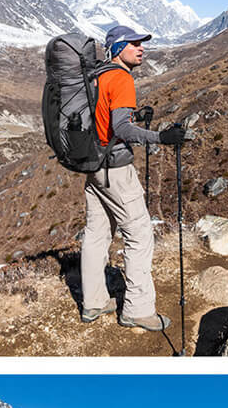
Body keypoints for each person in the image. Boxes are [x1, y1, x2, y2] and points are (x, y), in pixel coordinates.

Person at [80, 23, 186, 332]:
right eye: (133, 43)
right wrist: (161, 137)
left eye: (141, 43)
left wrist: (132, 117)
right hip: (116, 170)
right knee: (140, 234)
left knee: (96, 233)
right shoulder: (122, 78)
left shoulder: (97, 76)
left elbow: (105, 117)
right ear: (116, 48)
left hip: (93, 165)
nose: (141, 48)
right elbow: (121, 130)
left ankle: (94, 302)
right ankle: (138, 310)